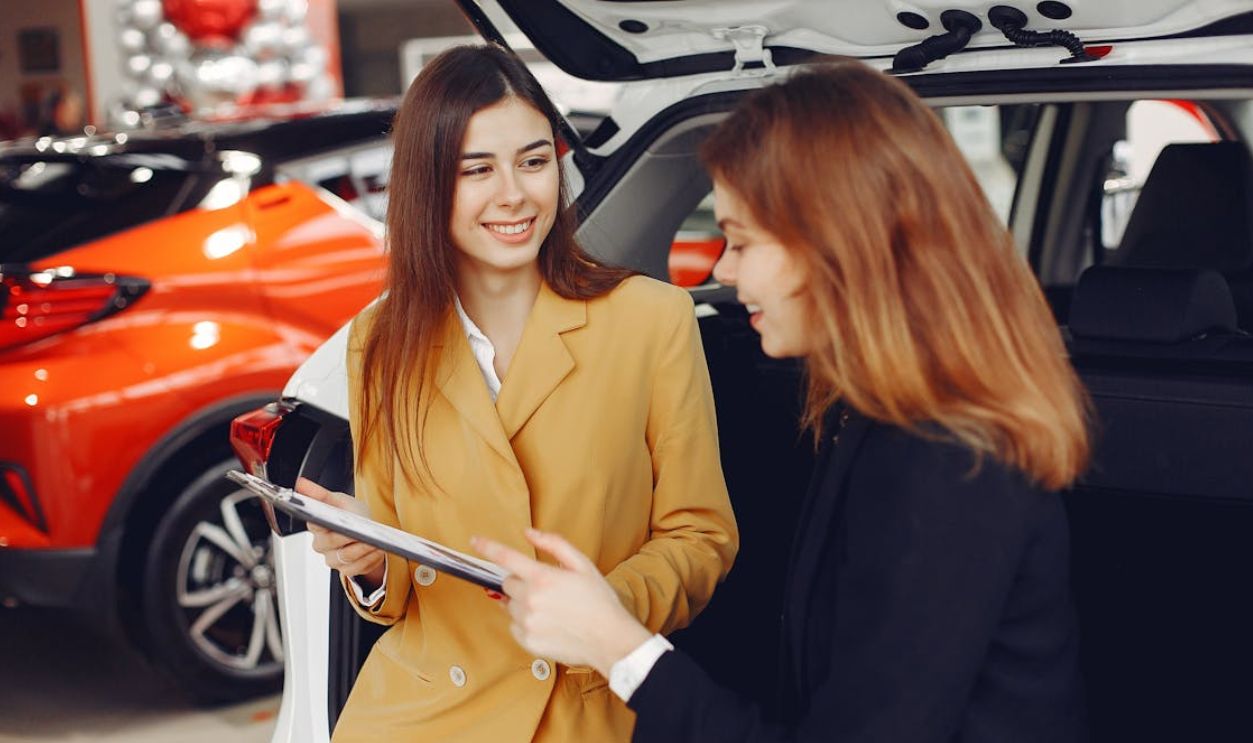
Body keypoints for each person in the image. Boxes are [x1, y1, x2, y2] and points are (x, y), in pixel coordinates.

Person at [474, 58, 1092, 743]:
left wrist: (617, 646)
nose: (720, 270)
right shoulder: (872, 410)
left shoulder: (947, 460)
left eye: (740, 241)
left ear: (836, 246)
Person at [295, 44, 738, 742]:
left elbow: (700, 536)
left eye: (533, 162)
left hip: (578, 708)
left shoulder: (650, 319)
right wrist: (373, 562)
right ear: (427, 184)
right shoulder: (378, 341)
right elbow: (396, 586)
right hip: (413, 715)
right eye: (477, 170)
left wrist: (601, 613)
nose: (514, 194)